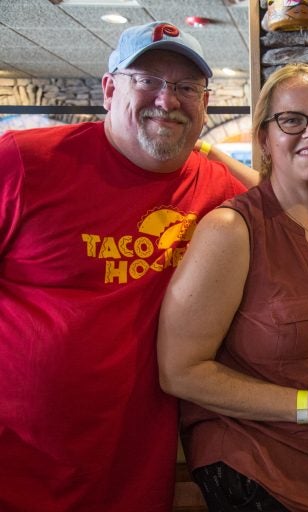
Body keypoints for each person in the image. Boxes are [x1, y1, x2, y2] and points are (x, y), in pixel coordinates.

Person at [0, 21, 248, 511]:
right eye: (149, 81)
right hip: (19, 466)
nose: (167, 100)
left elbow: (302, 211)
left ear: (205, 101)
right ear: (110, 88)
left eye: (185, 87)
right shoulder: (24, 162)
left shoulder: (220, 192)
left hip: (136, 471)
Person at [157, 63, 308, 512]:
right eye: (292, 120)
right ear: (264, 138)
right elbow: (179, 370)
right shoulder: (231, 230)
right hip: (266, 469)